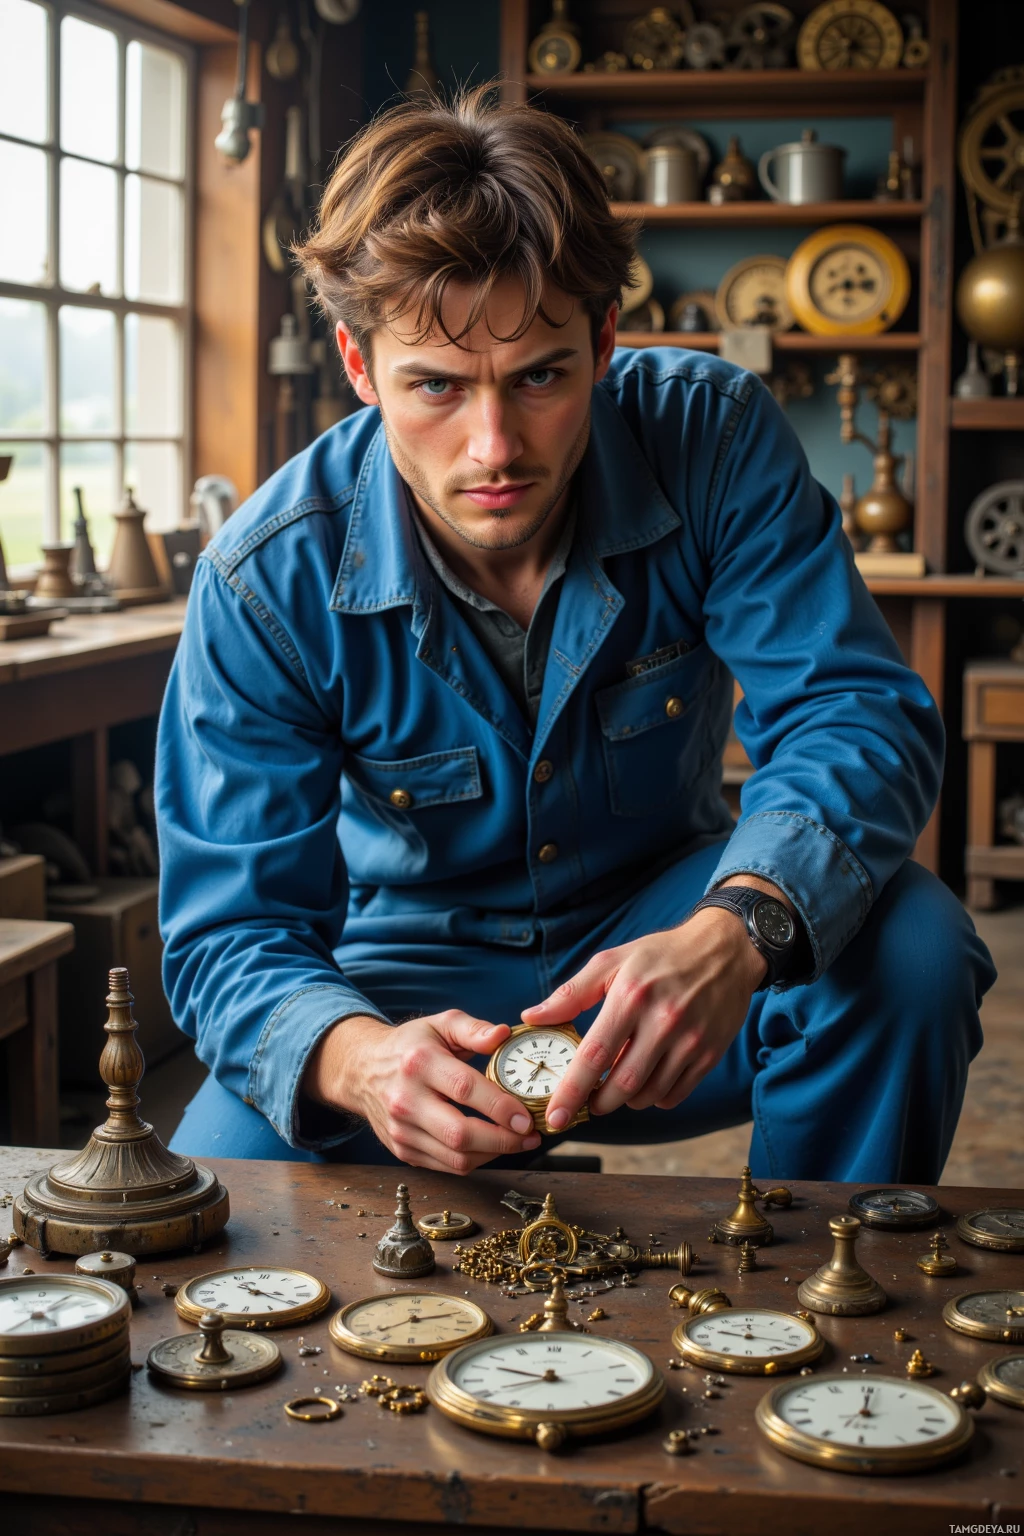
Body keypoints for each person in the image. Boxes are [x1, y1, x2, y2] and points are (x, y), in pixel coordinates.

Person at [158, 87, 994, 1181]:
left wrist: (741, 928)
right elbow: (228, 935)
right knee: (219, 1221)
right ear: (360, 369)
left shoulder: (715, 438)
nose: (492, 446)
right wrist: (359, 1063)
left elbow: (855, 712)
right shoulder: (264, 576)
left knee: (915, 949)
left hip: (673, 935)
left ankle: (812, 1314)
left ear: (603, 340)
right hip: (405, 986)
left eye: (540, 376)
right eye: (436, 388)